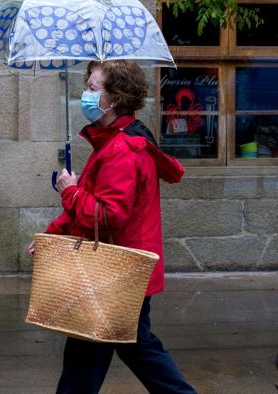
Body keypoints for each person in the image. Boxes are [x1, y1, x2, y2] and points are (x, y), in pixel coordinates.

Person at [40, 60, 197, 394]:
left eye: (93, 88)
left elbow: (107, 215)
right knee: (106, 353)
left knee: (109, 353)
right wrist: (54, 231)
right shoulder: (115, 142)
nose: (85, 94)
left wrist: (70, 190)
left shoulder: (122, 150)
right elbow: (97, 203)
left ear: (114, 99)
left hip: (117, 271)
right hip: (119, 269)